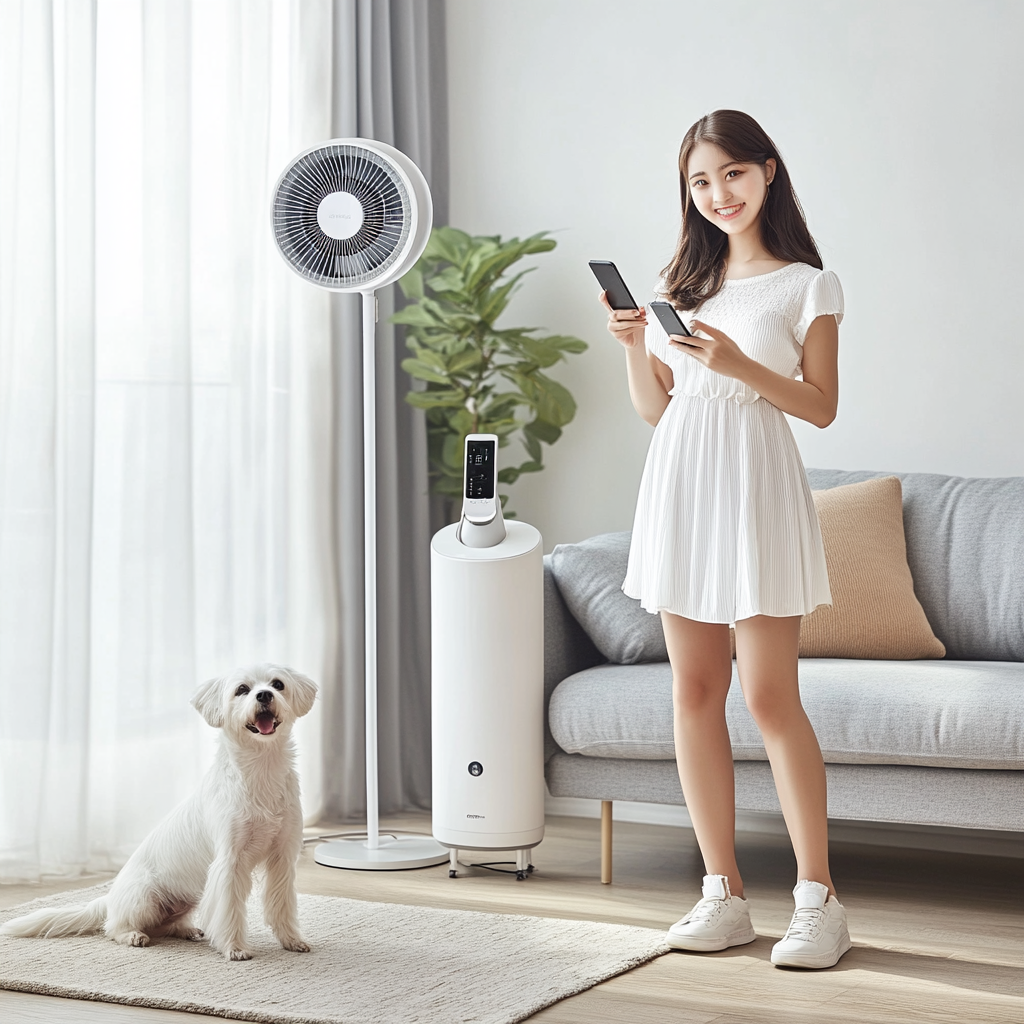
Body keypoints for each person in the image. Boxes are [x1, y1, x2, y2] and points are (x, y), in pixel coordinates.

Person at [601, 109, 850, 969]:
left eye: (732, 175)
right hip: (681, 482)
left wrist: (737, 362)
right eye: (701, 182)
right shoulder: (687, 282)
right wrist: (636, 346)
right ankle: (723, 893)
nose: (718, 195)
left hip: (755, 485)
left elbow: (818, 406)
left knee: (772, 698)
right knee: (693, 693)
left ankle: (817, 901)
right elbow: (656, 409)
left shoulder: (806, 285)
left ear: (767, 172)